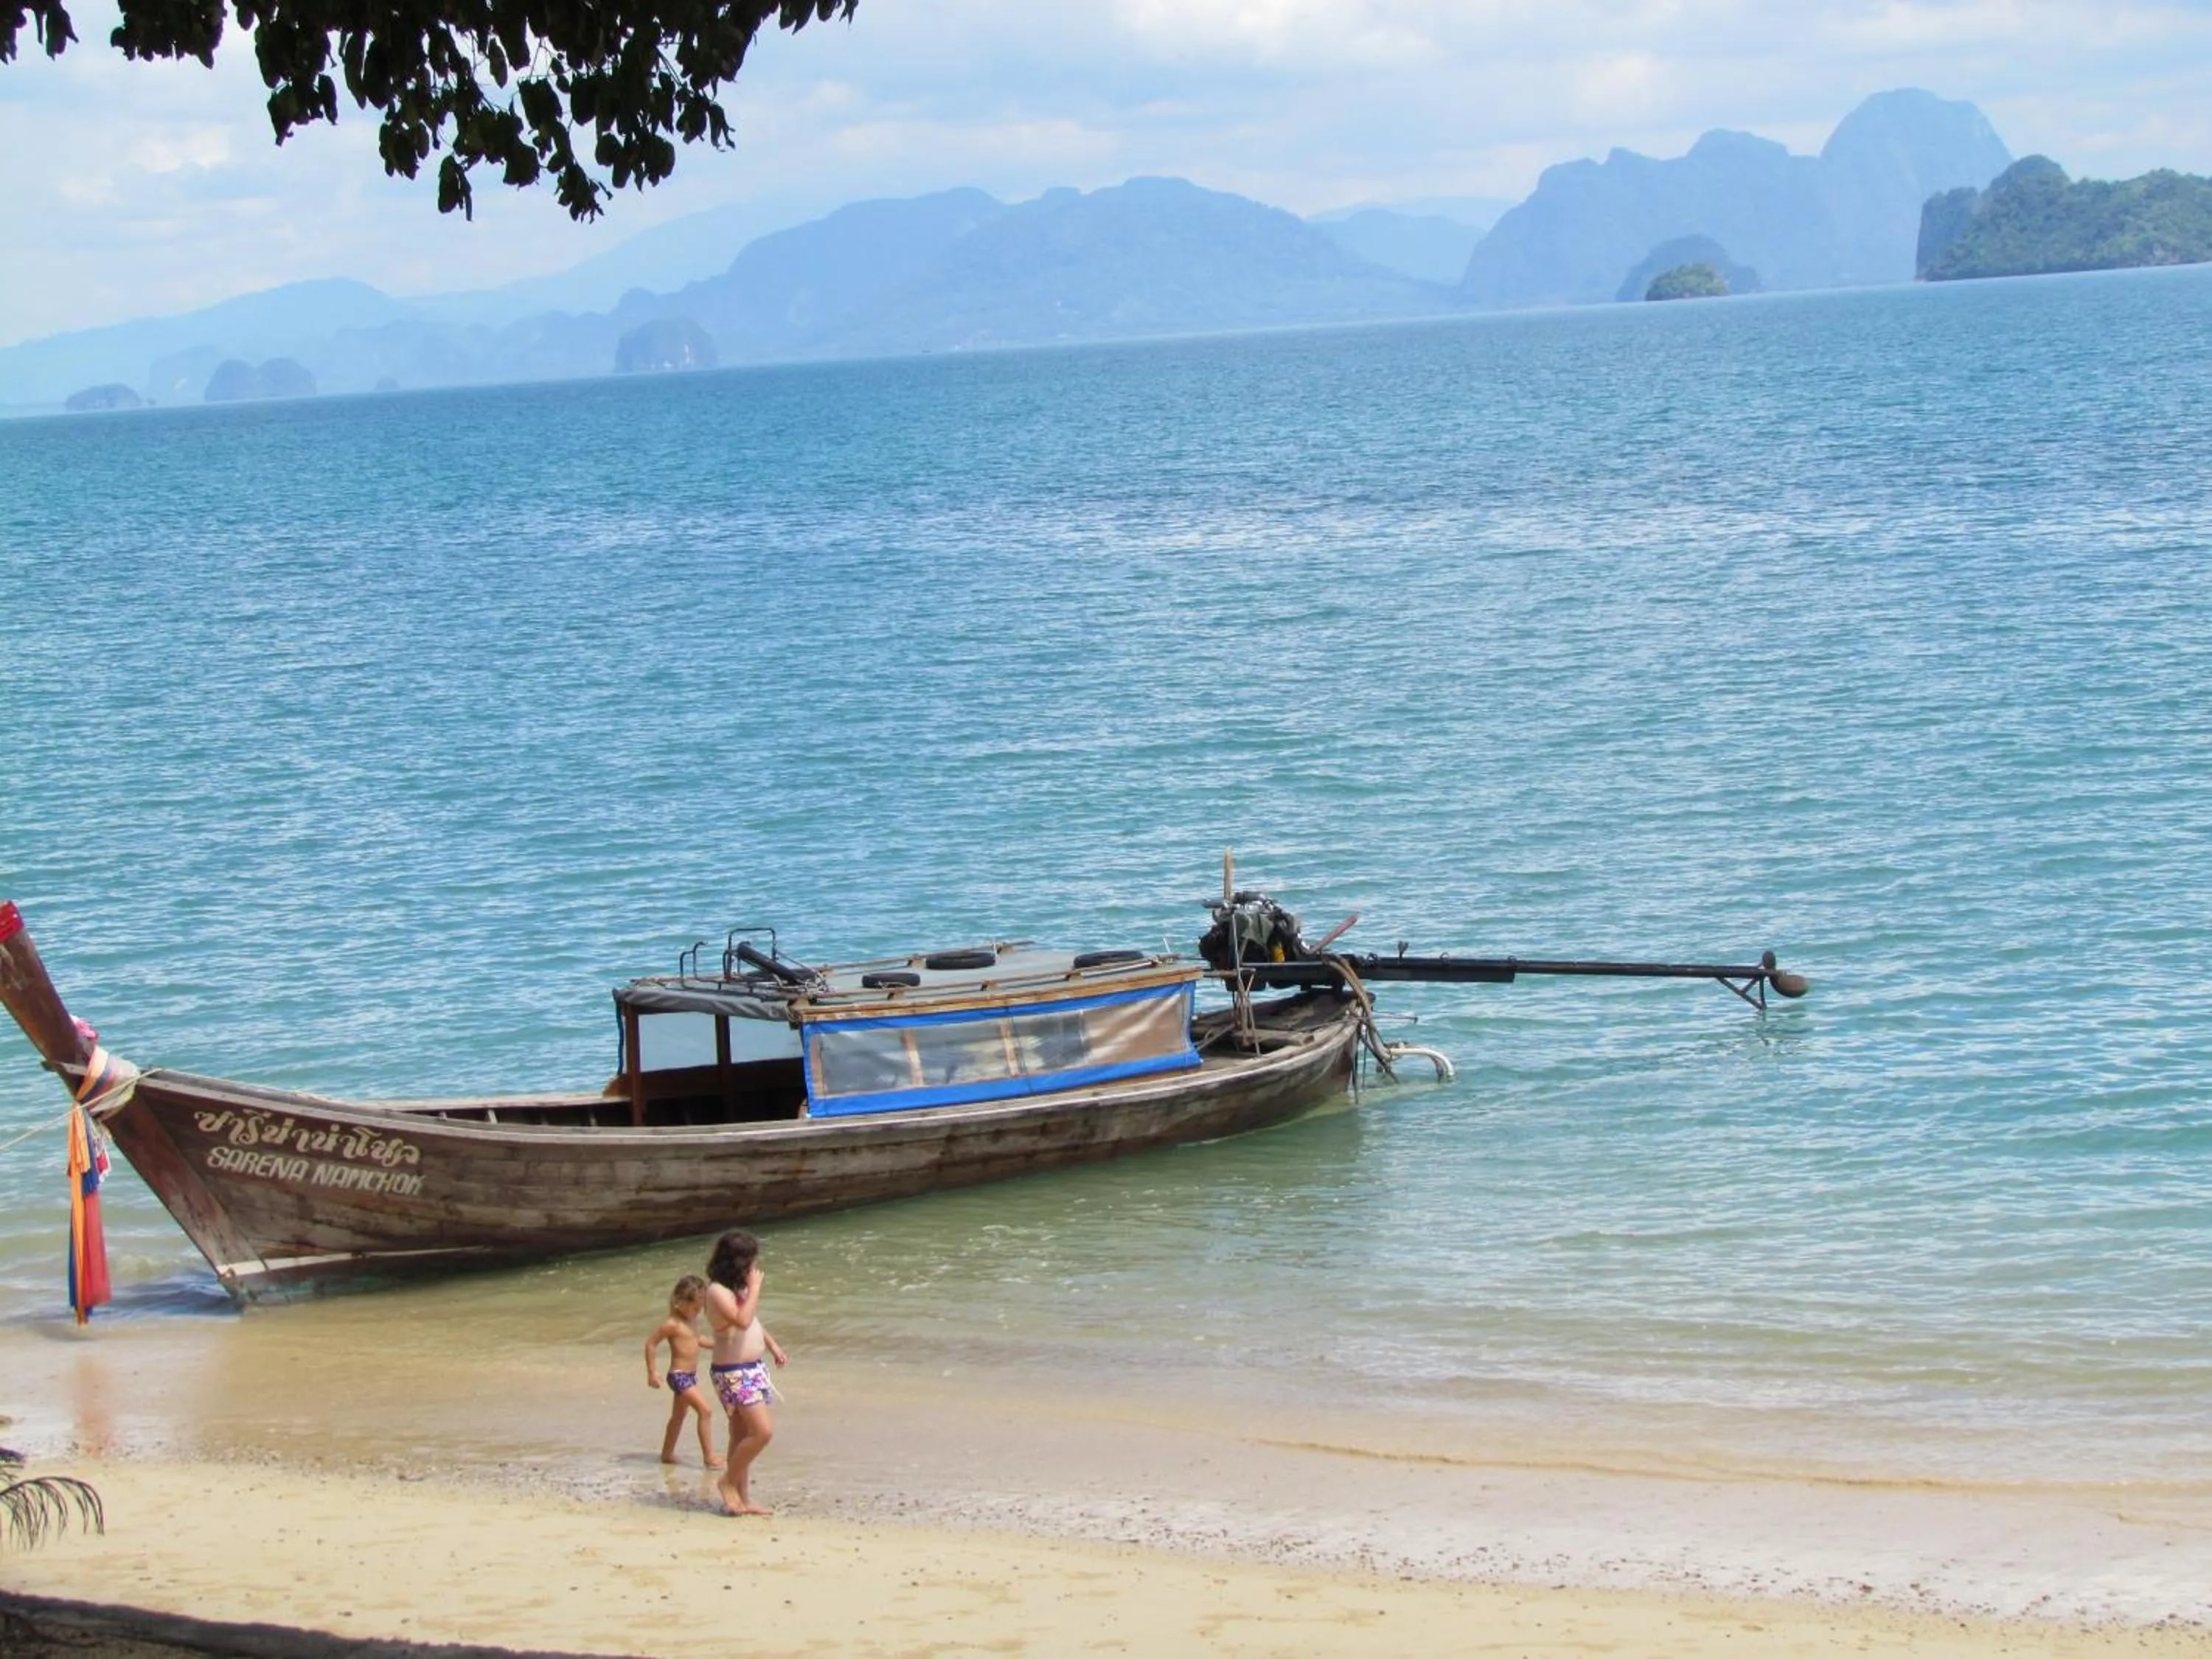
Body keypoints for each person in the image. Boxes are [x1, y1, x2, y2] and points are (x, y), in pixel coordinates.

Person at [703, 1228, 788, 1517]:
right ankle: (727, 1482)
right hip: (733, 1372)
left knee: (740, 1436)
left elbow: (754, 1323)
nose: (755, 1267)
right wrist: (755, 1289)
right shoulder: (716, 1291)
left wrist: (772, 1345)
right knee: (763, 1432)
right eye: (751, 1261)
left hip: (751, 1369)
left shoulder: (737, 1290)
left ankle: (741, 1498)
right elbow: (742, 1320)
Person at [645, 1275, 722, 1470]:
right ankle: (709, 1458)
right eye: (695, 1308)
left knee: (678, 1417)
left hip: (690, 1377)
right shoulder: (672, 1324)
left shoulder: (691, 1322)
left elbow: (697, 1340)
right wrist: (652, 1372)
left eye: (701, 1308)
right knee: (705, 1411)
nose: (698, 1312)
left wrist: (719, 1345)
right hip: (678, 1376)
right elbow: (651, 1344)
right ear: (680, 1302)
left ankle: (667, 1454)